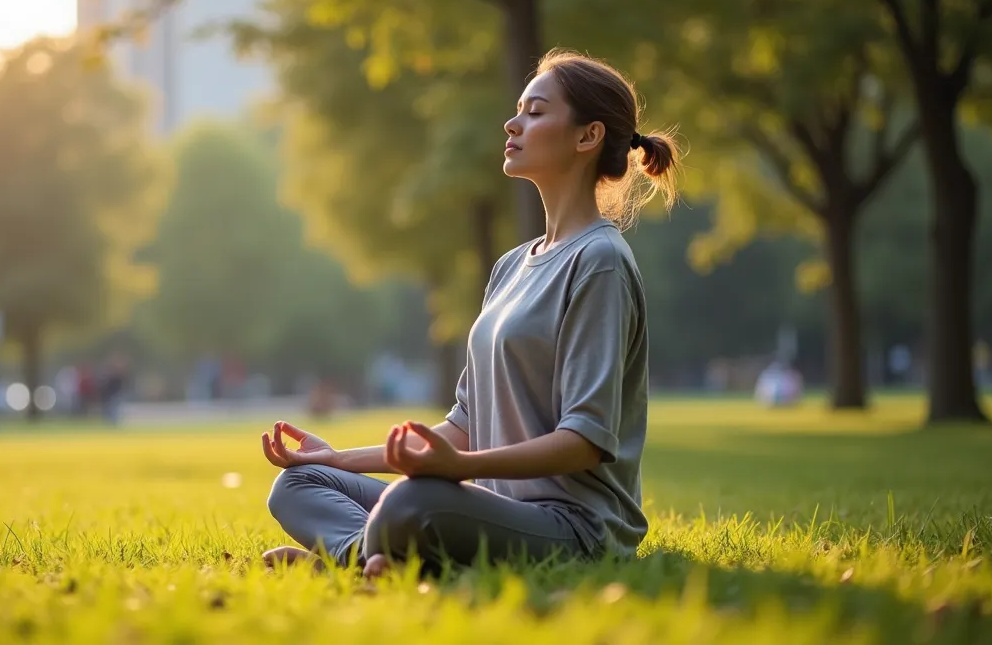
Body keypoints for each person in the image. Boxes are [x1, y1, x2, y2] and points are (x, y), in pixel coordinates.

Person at [258, 49, 680, 578]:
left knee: (413, 505)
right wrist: (338, 458)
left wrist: (461, 470)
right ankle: (373, 558)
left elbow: (586, 442)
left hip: (574, 527)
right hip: (490, 509)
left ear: (587, 136)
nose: (512, 122)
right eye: (518, 109)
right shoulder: (510, 266)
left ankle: (351, 560)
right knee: (298, 485)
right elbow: (463, 426)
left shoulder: (600, 262)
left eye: (535, 111)